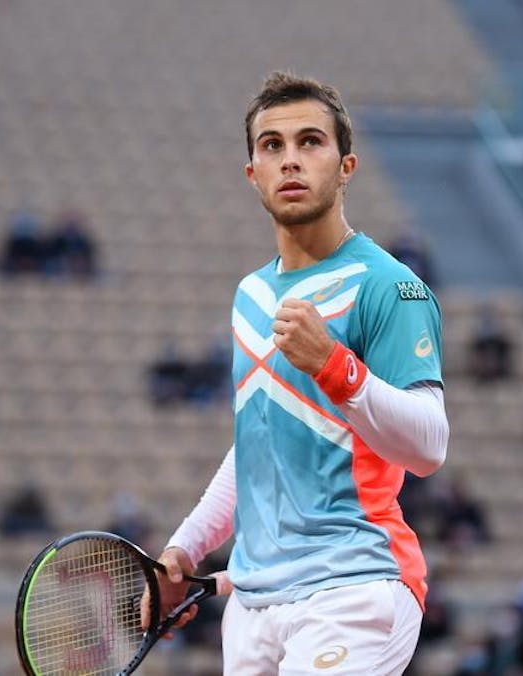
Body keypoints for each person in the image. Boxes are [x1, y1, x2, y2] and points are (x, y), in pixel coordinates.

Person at [146, 72, 449, 675]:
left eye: (310, 142)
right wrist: (187, 545)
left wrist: (337, 369)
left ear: (346, 166)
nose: (290, 160)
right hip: (252, 605)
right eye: (271, 146)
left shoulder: (397, 288)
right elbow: (257, 445)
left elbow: (428, 447)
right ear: (251, 173)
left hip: (356, 587)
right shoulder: (250, 294)